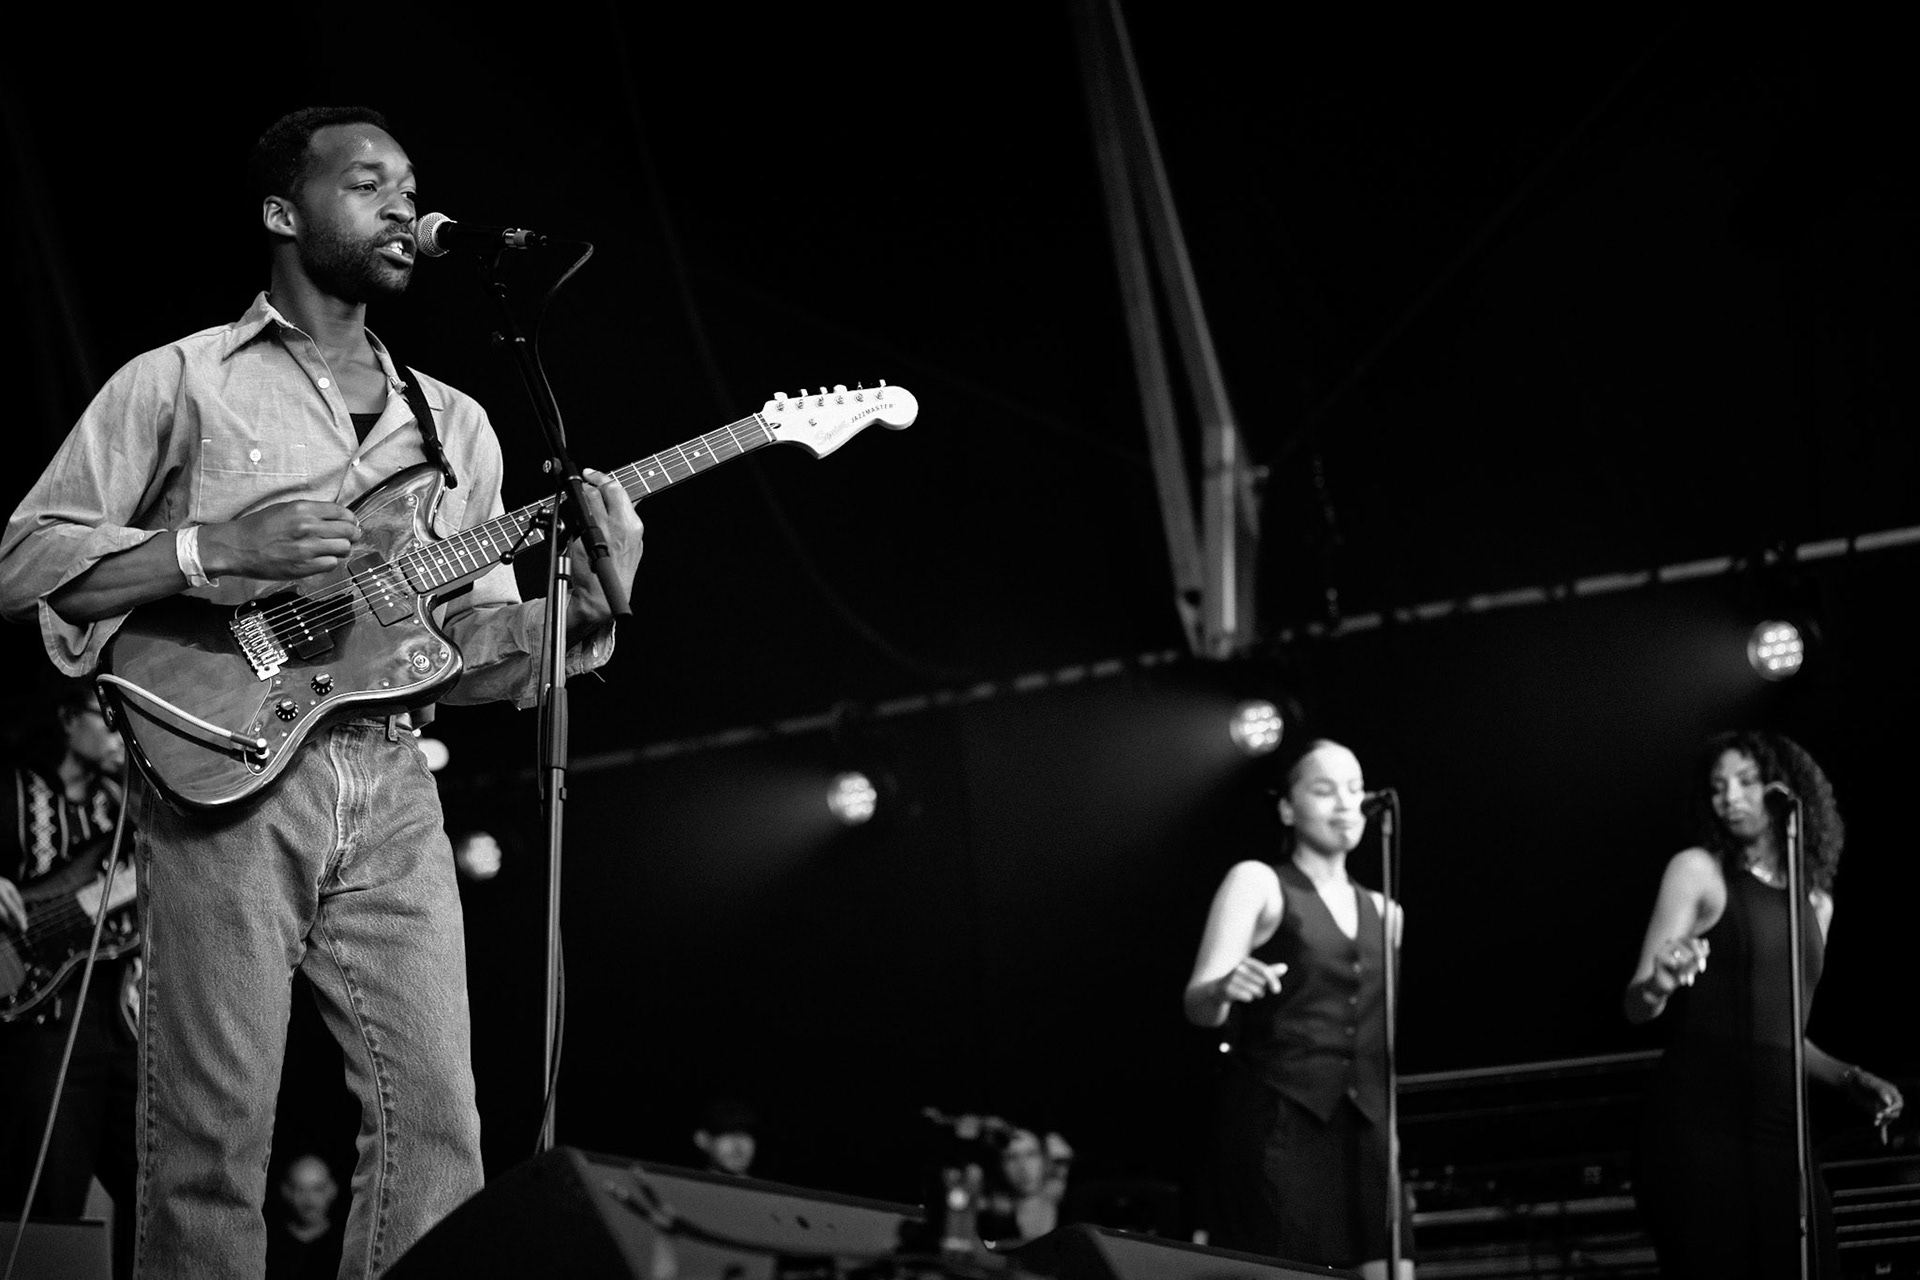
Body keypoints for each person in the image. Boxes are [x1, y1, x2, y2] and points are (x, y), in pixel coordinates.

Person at [0, 105, 645, 1280]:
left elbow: (469, 650)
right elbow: (26, 560)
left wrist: (587, 612)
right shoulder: (182, 379)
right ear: (283, 213)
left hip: (393, 775)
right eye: (370, 182)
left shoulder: (456, 423)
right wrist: (210, 550)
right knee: (212, 1136)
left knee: (439, 1120)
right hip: (223, 774)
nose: (406, 204)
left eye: (413, 183)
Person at [1624, 729, 1905, 1278]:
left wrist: (1850, 1077)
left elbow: (1784, 1034)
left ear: (1786, 789)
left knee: (1810, 1260)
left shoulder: (1815, 901)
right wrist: (1660, 979)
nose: (1729, 797)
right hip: (1702, 1121)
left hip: (1781, 1126)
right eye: (1717, 786)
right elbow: (1637, 1003)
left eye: (1746, 781)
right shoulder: (1698, 871)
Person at [1183, 738, 1409, 1279]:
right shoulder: (1258, 882)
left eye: (1355, 790)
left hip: (1367, 1128)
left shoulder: (1387, 912)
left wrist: (1392, 1136)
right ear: (1287, 806)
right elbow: (1198, 1002)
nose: (1344, 804)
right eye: (1324, 790)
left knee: (1389, 1268)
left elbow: (1377, 1035)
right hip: (1281, 1117)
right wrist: (1222, 989)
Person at [0, 679, 139, 1280]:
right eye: (106, 717)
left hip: (123, 1023)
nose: (118, 733)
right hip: (44, 1024)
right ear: (66, 718)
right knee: (49, 1199)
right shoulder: (10, 791)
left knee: (156, 1186)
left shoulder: (126, 806)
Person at [977, 1125, 1073, 1248]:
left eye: (1031, 1154)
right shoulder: (991, 1219)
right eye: (1011, 1157)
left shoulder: (1073, 1207)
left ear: (1045, 1159)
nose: (1023, 1167)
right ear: (1000, 1166)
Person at [263, 1153, 344, 1280]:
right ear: (286, 1191)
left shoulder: (347, 1243)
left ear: (332, 1190)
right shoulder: (267, 1241)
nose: (309, 1200)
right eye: (300, 1189)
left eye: (317, 1189)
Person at [692, 1098, 760, 1178]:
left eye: (745, 1135)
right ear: (702, 1140)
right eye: (727, 1134)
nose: (738, 1146)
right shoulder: (683, 1187)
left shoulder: (767, 1190)